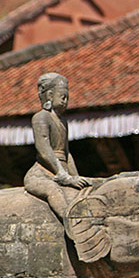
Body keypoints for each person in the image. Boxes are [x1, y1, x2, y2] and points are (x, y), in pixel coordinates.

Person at [24, 72, 90, 220]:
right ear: (49, 95)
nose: (65, 101)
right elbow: (44, 150)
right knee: (54, 190)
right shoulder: (41, 117)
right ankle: (72, 224)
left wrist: (75, 176)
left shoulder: (63, 121)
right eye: (62, 97)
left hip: (62, 169)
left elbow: (66, 153)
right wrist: (62, 174)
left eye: (67, 97)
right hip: (42, 173)